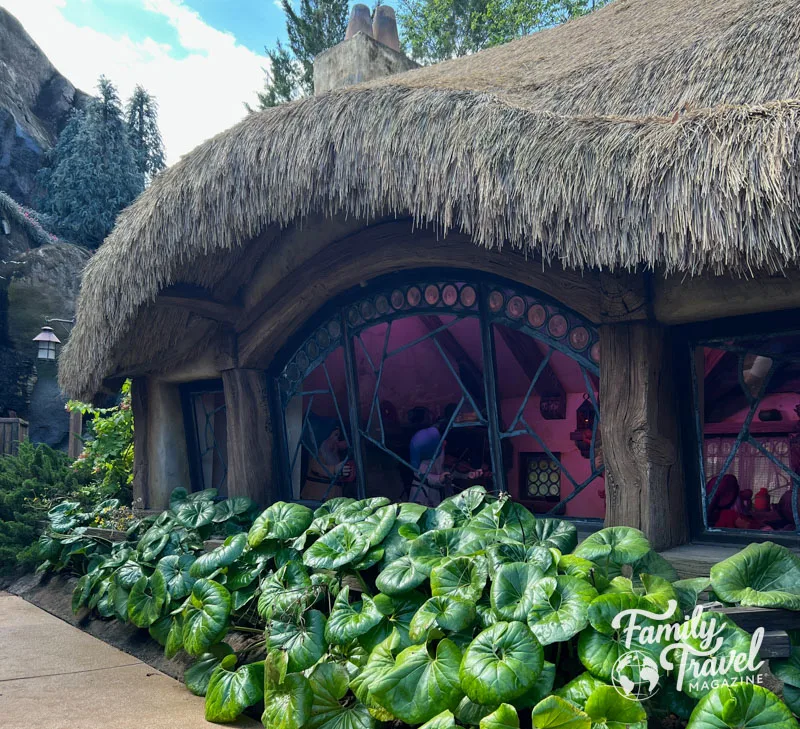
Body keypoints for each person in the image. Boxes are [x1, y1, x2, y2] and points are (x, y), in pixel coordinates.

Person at [300, 417, 354, 501]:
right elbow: (318, 468)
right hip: (317, 496)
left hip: (335, 497)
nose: (337, 440)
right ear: (325, 437)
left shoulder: (334, 452)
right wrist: (335, 469)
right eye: (335, 435)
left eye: (338, 436)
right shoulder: (316, 454)